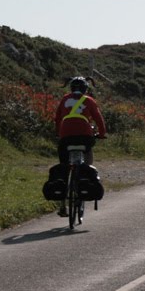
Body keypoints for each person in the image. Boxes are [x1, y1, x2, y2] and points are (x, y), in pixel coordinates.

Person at [54, 76, 107, 215]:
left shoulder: (65, 99)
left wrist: (59, 133)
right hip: (85, 135)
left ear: (71, 88)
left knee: (64, 167)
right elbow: (98, 119)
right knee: (88, 153)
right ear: (85, 89)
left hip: (65, 135)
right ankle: (85, 174)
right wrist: (101, 134)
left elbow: (57, 118)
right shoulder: (89, 100)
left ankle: (62, 205)